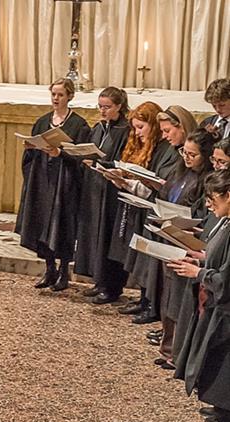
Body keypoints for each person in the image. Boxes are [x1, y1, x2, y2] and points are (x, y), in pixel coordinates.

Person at [168, 170, 230, 422]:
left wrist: (199, 273)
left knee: (223, 378)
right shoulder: (225, 222)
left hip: (227, 317)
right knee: (214, 373)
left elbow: (227, 280)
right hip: (217, 313)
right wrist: (201, 259)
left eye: (212, 199)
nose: (208, 205)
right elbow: (220, 259)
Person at [105, 101, 180, 324]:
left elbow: (158, 182)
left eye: (141, 127)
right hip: (137, 205)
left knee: (148, 258)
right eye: (135, 128)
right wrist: (123, 180)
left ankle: (151, 303)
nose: (137, 133)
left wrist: (131, 183)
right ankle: (143, 297)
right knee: (137, 255)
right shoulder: (143, 144)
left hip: (153, 208)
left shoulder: (165, 149)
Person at [16, 79, 90, 291]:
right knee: (41, 223)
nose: (56, 99)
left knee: (63, 224)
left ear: (70, 97)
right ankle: (49, 268)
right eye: (53, 95)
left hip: (65, 183)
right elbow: (29, 154)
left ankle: (64, 271)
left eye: (60, 95)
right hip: (43, 180)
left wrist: (61, 154)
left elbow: (82, 155)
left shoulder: (78, 125)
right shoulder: (42, 121)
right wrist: (31, 146)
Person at [156, 129, 214, 369]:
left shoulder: (206, 180)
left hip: (189, 242)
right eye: (184, 153)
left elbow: (202, 214)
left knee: (181, 298)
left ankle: (178, 353)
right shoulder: (180, 172)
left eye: (193, 155)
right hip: (171, 236)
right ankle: (167, 345)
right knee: (168, 294)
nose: (187, 158)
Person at [75, 87, 132, 304]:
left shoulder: (125, 130)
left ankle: (112, 287)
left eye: (107, 107)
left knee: (109, 236)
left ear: (119, 106)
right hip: (95, 188)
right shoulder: (99, 127)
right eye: (100, 106)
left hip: (112, 192)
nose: (102, 111)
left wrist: (102, 163)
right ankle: (99, 281)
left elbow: (123, 161)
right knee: (94, 235)